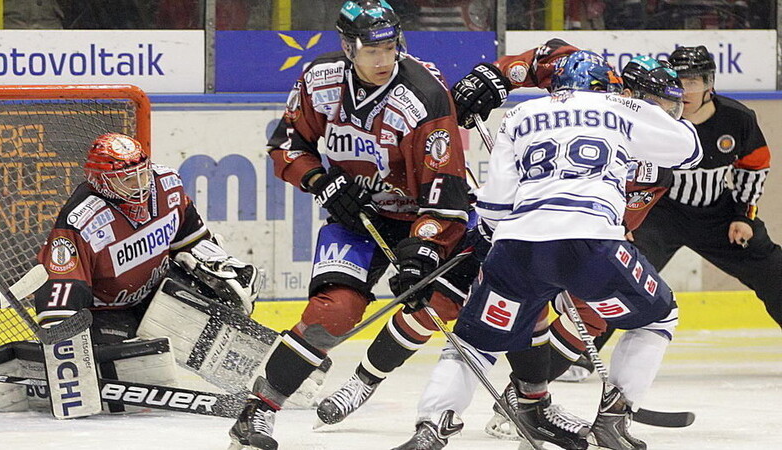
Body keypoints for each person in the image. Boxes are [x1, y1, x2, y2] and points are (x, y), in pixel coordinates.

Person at [393, 51, 702, 450]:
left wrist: (498, 241)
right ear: (605, 87)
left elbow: (496, 205)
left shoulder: (521, 115)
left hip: (517, 245)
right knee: (658, 317)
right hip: (591, 242)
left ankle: (431, 426)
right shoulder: (618, 105)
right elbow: (688, 149)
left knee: (474, 342)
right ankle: (615, 417)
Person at [227, 2, 469, 449]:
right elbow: (287, 144)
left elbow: (446, 192)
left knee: (434, 303)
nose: (383, 60)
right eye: (372, 50)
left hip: (421, 219)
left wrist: (425, 248)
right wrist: (320, 180)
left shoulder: (425, 96)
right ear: (347, 47)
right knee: (333, 312)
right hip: (354, 219)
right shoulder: (320, 79)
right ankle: (256, 413)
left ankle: (364, 380)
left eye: (391, 48)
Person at [33, 132, 260, 341]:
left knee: (216, 295)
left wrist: (217, 269)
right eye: (128, 179)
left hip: (157, 293)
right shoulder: (81, 220)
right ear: (101, 181)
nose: (140, 185)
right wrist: (61, 334)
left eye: (142, 174)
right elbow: (63, 287)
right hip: (107, 313)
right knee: (126, 366)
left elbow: (190, 239)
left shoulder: (166, 184)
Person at [630, 45, 782, 329]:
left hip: (719, 214)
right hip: (659, 213)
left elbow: (755, 166)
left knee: (774, 271)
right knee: (622, 273)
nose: (685, 91)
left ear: (708, 85)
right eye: (679, 82)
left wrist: (743, 216)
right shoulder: (652, 119)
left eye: (693, 82)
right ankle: (576, 353)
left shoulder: (737, 119)